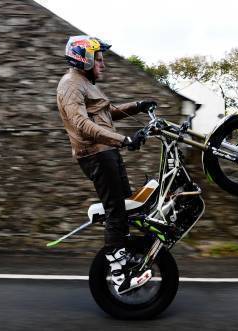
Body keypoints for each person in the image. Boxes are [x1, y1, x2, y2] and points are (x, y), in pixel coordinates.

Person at [56, 35, 156, 294]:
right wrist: (123, 139)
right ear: (85, 58)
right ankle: (120, 276)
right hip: (97, 155)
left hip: (106, 152)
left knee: (126, 206)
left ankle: (128, 252)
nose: (103, 64)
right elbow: (82, 125)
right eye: (99, 59)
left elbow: (106, 113)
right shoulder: (70, 85)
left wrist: (138, 106)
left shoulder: (84, 84)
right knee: (115, 210)